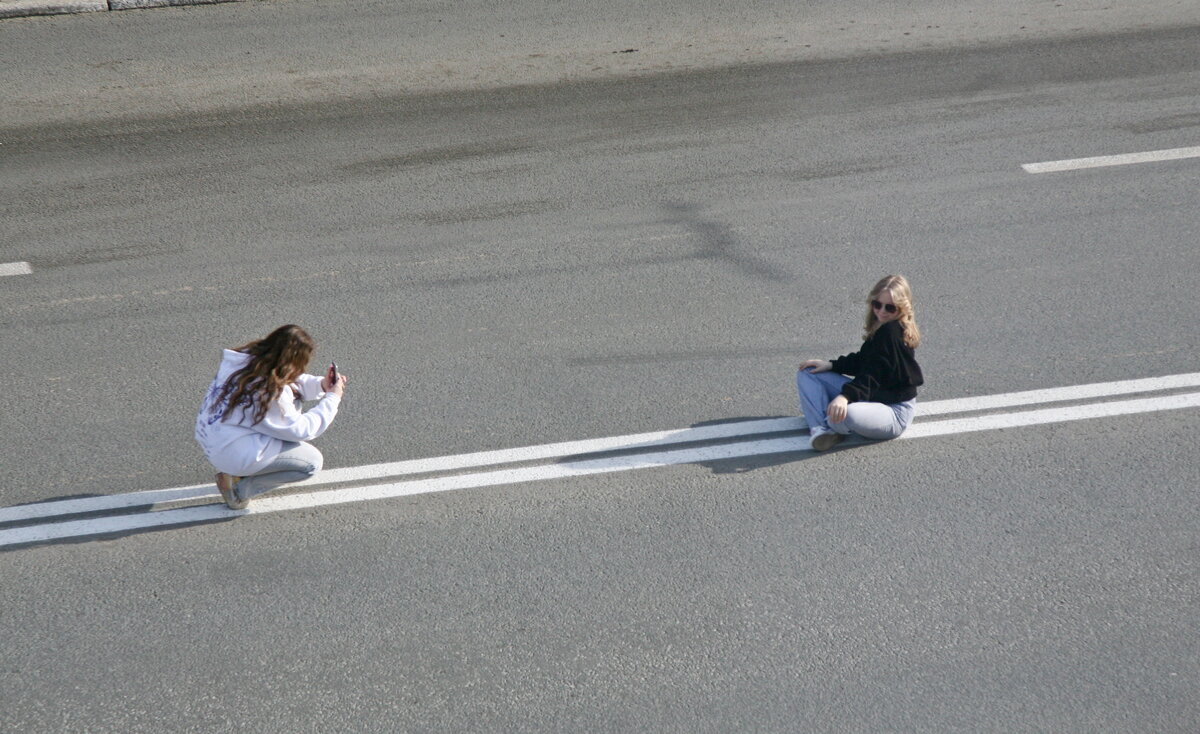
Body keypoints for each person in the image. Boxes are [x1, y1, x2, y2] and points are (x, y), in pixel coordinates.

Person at [195, 324, 347, 510]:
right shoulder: (268, 392)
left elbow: (291, 383)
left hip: (215, 437)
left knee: (290, 409)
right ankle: (239, 488)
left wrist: (322, 386)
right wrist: (333, 398)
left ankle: (238, 473)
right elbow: (302, 429)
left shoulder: (246, 361)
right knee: (311, 463)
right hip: (231, 452)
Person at [797, 275, 923, 451]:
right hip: (874, 395)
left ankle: (827, 421)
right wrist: (831, 365)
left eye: (890, 307)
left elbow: (872, 375)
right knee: (808, 372)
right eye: (877, 304)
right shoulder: (882, 326)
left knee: (847, 413)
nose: (882, 311)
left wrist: (845, 397)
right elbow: (863, 360)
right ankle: (822, 429)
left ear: (902, 308)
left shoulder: (891, 333)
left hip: (894, 411)